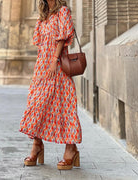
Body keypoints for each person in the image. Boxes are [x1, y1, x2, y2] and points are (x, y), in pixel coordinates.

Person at [19, 0, 82, 170]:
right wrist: (44, 63)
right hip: (42, 67)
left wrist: (54, 60)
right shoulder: (42, 16)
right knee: (36, 104)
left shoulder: (63, 11)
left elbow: (62, 38)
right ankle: (37, 145)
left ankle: (71, 149)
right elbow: (40, 43)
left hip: (58, 65)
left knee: (63, 105)